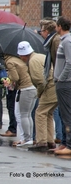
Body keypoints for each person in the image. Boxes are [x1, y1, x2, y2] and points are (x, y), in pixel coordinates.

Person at [16, 41, 57, 151]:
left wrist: (39, 94)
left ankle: (42, 142)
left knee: (40, 113)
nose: (20, 58)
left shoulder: (33, 61)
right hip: (56, 85)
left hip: (50, 87)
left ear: (24, 55)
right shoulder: (40, 56)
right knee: (48, 113)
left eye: (20, 55)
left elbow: (40, 81)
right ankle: (50, 141)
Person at [39, 19, 64, 148]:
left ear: (47, 31)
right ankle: (51, 140)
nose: (40, 33)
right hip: (58, 79)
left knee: (53, 112)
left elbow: (61, 62)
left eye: (41, 31)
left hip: (60, 80)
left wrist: (59, 78)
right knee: (53, 112)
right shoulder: (53, 41)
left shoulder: (55, 40)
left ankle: (61, 142)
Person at [53, 17, 71, 155]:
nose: (55, 28)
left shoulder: (67, 41)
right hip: (62, 82)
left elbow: (69, 63)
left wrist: (61, 79)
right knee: (61, 112)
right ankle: (64, 143)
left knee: (67, 114)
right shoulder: (64, 41)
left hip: (65, 83)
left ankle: (69, 145)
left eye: (56, 26)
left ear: (60, 26)